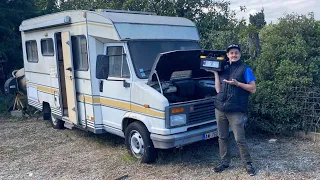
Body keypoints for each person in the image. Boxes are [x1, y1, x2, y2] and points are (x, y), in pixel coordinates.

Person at [206, 44, 257, 176]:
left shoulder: (245, 69)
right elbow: (218, 90)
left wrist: (238, 84)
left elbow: (253, 88)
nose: (234, 55)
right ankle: (224, 162)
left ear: (240, 54)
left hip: (236, 110)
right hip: (220, 109)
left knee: (239, 139)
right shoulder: (223, 68)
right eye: (231, 53)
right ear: (227, 55)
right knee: (222, 137)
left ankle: (248, 164)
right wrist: (216, 74)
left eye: (236, 53)